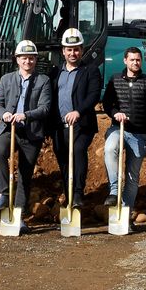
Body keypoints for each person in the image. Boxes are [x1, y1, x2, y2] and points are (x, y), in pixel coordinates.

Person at [0, 40, 51, 232]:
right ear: (17, 59)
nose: (28, 61)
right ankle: (2, 193)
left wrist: (26, 115)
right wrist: (4, 114)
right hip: (8, 129)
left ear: (35, 59)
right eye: (24, 57)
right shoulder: (6, 79)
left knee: (25, 174)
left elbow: (45, 108)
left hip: (31, 133)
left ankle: (19, 216)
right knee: (0, 152)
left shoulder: (44, 81)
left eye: (31, 58)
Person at [47, 28, 101, 213]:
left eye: (76, 49)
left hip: (81, 125)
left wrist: (78, 111)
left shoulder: (90, 70)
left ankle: (78, 192)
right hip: (59, 126)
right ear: (63, 51)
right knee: (63, 159)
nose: (73, 53)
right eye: (69, 49)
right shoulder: (55, 73)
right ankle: (69, 193)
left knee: (77, 151)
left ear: (82, 49)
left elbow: (93, 95)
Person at [101, 46, 146, 217]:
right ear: (125, 60)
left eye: (138, 60)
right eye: (132, 59)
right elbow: (107, 103)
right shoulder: (115, 79)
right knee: (110, 148)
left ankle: (125, 215)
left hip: (139, 135)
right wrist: (115, 113)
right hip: (118, 129)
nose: (135, 62)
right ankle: (114, 190)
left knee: (132, 177)